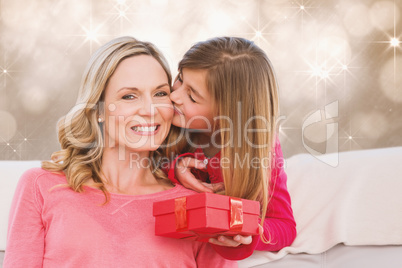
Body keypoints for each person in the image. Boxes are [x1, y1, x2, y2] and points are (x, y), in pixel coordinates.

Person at [4, 36, 235, 267]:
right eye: (129, 96)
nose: (149, 109)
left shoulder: (195, 205)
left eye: (160, 93)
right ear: (98, 110)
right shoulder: (41, 187)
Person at [164, 37, 297, 260]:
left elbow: (284, 226)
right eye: (180, 78)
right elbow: (138, 171)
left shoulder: (262, 152)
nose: (173, 95)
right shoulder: (167, 118)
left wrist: (252, 233)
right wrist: (174, 168)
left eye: (192, 96)